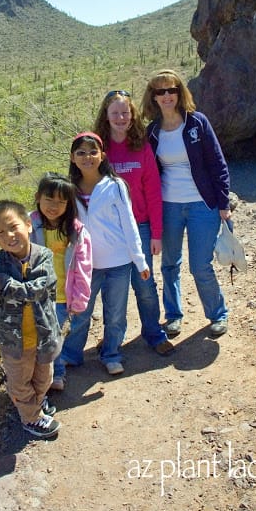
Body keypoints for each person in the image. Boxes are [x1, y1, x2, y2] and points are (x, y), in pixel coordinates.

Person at [141, 69, 231, 338]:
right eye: (161, 91)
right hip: (168, 205)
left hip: (202, 205)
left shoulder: (197, 123)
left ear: (180, 93)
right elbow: (147, 172)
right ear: (154, 97)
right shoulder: (153, 132)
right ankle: (174, 316)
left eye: (172, 89)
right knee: (169, 264)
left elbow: (218, 163)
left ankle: (218, 314)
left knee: (200, 265)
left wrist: (224, 203)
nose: (167, 95)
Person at [0, 200, 62, 438]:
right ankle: (32, 418)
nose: (9, 235)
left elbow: (36, 291)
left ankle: (36, 403)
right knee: (19, 382)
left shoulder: (44, 257)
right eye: (0, 232)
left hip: (44, 334)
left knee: (44, 377)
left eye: (13, 226)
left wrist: (0, 279)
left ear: (28, 225)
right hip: (14, 340)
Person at [62, 131, 150, 376]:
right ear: (72, 157)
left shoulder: (116, 185)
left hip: (118, 262)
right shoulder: (68, 190)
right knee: (81, 312)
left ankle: (111, 354)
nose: (87, 157)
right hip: (85, 265)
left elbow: (129, 223)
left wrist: (139, 260)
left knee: (115, 313)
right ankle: (71, 354)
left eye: (93, 152)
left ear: (102, 155)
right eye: (81, 152)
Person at [94, 90, 174, 356]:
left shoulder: (141, 147)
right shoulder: (99, 151)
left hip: (140, 229)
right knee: (112, 291)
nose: (120, 118)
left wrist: (156, 233)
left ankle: (153, 333)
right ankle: (111, 340)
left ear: (132, 116)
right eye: (115, 113)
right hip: (109, 233)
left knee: (145, 285)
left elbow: (153, 191)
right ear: (106, 116)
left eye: (125, 113)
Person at [29, 172, 92, 391]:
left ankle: (57, 374)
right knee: (40, 337)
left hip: (60, 296)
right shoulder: (29, 225)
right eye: (49, 200)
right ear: (38, 197)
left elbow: (84, 267)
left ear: (69, 204)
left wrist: (80, 298)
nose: (54, 207)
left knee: (52, 336)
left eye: (61, 202)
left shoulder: (75, 231)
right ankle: (39, 377)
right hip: (34, 294)